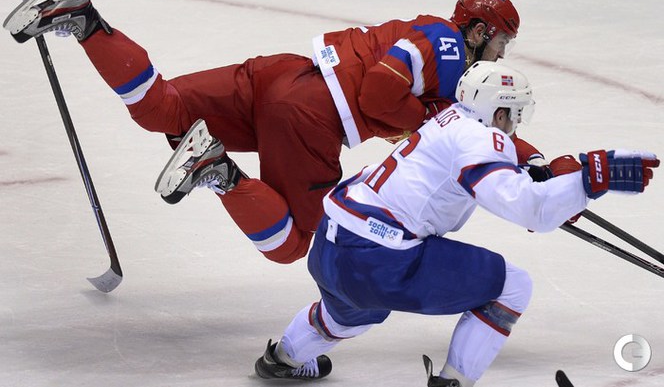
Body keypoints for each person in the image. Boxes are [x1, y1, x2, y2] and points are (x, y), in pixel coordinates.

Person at [3, 0, 535, 265]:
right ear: (479, 31)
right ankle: (219, 171)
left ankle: (83, 18)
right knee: (295, 243)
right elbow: (377, 94)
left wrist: (525, 161)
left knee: (160, 108)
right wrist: (420, 122)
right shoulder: (447, 45)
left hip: (284, 75)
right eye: (501, 42)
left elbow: (468, 132)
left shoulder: (438, 52)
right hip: (310, 117)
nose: (501, 54)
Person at [251, 61, 659, 384]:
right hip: (380, 258)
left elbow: (497, 159)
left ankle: (284, 357)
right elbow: (529, 210)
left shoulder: (447, 119)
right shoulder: (480, 139)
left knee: (353, 311)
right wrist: (587, 180)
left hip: (332, 243)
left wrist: (538, 170)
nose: (515, 125)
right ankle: (454, 383)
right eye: (515, 115)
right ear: (500, 111)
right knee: (512, 286)